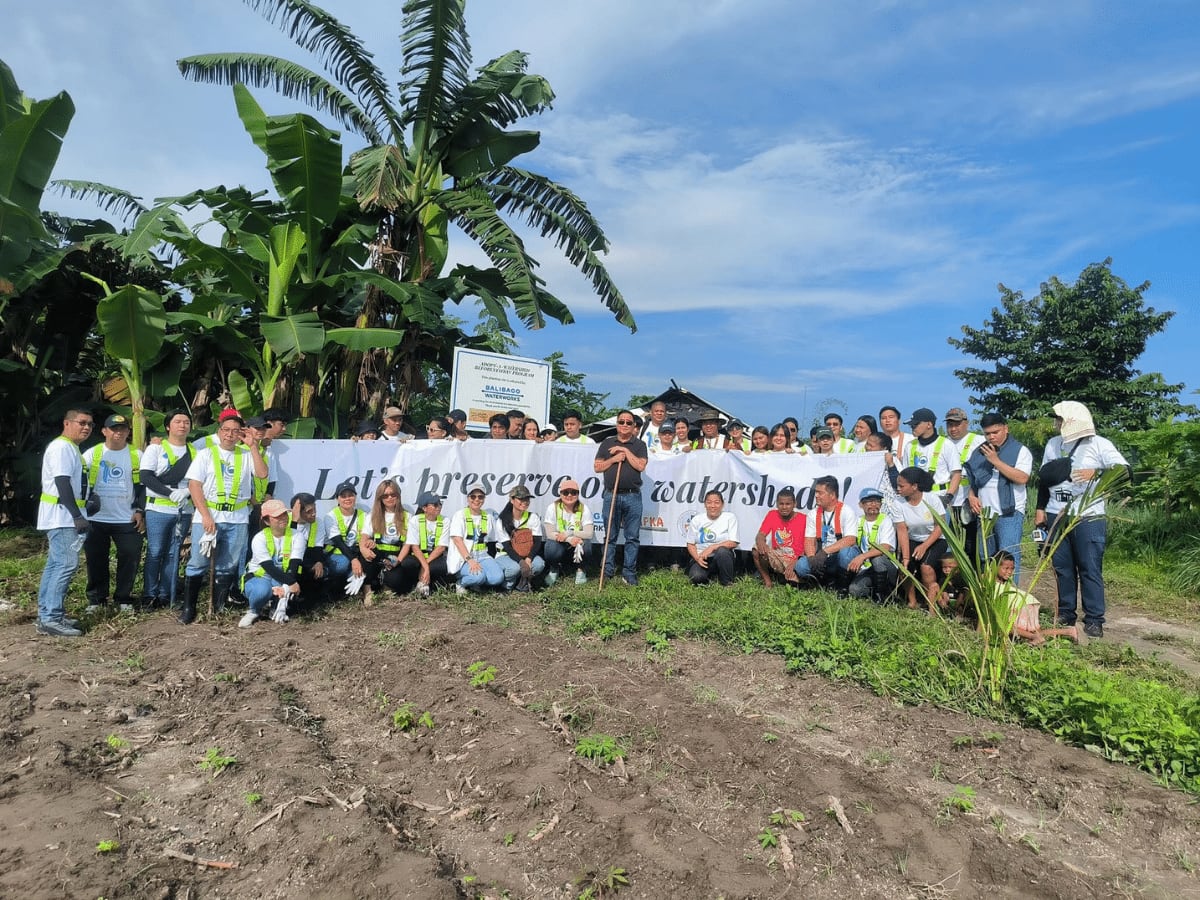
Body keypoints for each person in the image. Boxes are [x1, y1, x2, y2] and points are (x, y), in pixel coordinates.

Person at [1035, 400, 1129, 638]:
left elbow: (1126, 471)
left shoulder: (1099, 445)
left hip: (1088, 516)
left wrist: (1097, 473)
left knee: (1089, 568)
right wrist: (1040, 509)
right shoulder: (1053, 444)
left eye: (1059, 419)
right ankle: (1066, 612)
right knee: (1062, 567)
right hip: (1057, 513)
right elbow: (1044, 479)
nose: (1055, 423)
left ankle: (1095, 618)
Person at [182, 413, 269, 624]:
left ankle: (218, 606)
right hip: (209, 515)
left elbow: (262, 474)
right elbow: (194, 486)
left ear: (242, 433)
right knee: (198, 561)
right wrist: (205, 515)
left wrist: (253, 447)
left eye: (235, 431)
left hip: (237, 517)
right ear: (219, 432)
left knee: (228, 564)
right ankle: (188, 609)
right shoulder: (206, 454)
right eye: (226, 430)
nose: (230, 435)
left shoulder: (247, 454)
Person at [34, 409, 94, 636]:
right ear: (67, 423)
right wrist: (76, 515)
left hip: (61, 514)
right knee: (66, 564)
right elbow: (62, 483)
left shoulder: (70, 448)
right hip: (62, 516)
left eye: (90, 424)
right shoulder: (62, 448)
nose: (86, 427)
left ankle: (47, 614)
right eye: (81, 423)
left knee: (56, 564)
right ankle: (51, 617)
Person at [81, 414, 145, 615]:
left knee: (130, 557)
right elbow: (80, 483)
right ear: (104, 431)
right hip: (96, 518)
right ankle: (96, 599)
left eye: (123, 429)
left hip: (126, 518)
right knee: (96, 559)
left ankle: (123, 598)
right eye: (114, 429)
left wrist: (140, 510)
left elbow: (144, 486)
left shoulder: (137, 455)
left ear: (128, 432)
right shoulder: (92, 454)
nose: (119, 433)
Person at [965, 413, 1033, 581]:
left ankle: (1010, 601)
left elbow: (1022, 478)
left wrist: (995, 461)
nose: (991, 436)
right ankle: (989, 600)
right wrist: (971, 496)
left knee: (1008, 559)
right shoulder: (979, 451)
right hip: (985, 514)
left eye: (995, 432)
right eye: (987, 433)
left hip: (1009, 513)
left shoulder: (1020, 450)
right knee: (985, 558)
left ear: (1006, 428)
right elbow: (973, 480)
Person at [140, 410, 195, 609]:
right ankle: (149, 594)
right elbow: (146, 477)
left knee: (174, 553)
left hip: (184, 509)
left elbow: (201, 479)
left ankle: (166, 594)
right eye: (178, 421)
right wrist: (169, 492)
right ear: (168, 427)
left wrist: (187, 492)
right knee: (155, 552)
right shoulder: (155, 449)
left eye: (186, 422)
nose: (182, 425)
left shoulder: (195, 452)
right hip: (158, 510)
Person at [594, 410, 649, 586]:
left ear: (634, 426)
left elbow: (640, 466)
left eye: (628, 422)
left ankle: (629, 572)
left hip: (633, 496)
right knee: (610, 536)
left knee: (632, 537)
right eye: (621, 422)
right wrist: (614, 458)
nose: (624, 425)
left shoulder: (639, 445)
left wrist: (625, 450)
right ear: (617, 424)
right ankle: (607, 570)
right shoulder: (607, 443)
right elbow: (597, 467)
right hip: (611, 494)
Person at [239, 498, 304, 628]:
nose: (283, 518)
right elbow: (268, 567)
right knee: (262, 591)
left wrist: (286, 588)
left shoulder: (297, 536)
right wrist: (291, 584)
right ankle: (254, 610)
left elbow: (294, 565)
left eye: (284, 514)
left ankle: (275, 605)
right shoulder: (259, 538)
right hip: (259, 578)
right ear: (267, 521)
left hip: (282, 578)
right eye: (277, 516)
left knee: (292, 592)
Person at [892, 466, 948, 611]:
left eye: (901, 486)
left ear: (914, 486)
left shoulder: (932, 499)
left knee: (926, 567)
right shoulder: (898, 503)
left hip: (935, 539)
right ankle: (912, 602)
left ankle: (932, 603)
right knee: (905, 567)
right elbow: (902, 531)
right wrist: (905, 557)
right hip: (913, 539)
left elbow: (940, 526)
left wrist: (924, 546)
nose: (898, 488)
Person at [995, 551, 1078, 644]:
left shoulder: (995, 585)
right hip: (1029, 602)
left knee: (1006, 626)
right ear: (995, 567)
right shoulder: (1004, 584)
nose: (1009, 572)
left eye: (1012, 569)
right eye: (1006, 568)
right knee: (1032, 632)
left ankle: (1035, 638)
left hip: (1022, 605)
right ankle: (1069, 632)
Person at [794, 476, 859, 590]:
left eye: (820, 493)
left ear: (832, 495)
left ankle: (842, 586)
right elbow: (809, 540)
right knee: (801, 566)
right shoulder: (813, 514)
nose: (816, 496)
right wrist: (811, 558)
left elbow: (850, 540)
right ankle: (821, 581)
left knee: (846, 554)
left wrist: (825, 552)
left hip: (837, 556)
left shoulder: (847, 511)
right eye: (816, 492)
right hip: (821, 558)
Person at [359, 479, 415, 599]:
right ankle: (367, 591)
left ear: (398, 496)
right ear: (380, 498)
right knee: (365, 556)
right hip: (378, 554)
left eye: (393, 494)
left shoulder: (408, 516)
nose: (389, 498)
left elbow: (407, 544)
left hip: (395, 555)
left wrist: (397, 561)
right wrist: (364, 547)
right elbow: (364, 537)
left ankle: (387, 585)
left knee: (397, 579)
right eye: (385, 495)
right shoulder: (372, 515)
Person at [943, 408, 986, 562]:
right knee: (950, 545)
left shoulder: (979, 441)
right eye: (950, 425)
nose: (953, 429)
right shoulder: (943, 443)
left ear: (966, 423)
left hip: (970, 500)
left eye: (957, 424)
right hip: (948, 502)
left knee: (971, 543)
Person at [447, 487, 504, 594]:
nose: (477, 499)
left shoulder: (488, 516)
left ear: (484, 499)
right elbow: (457, 541)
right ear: (468, 498)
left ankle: (475, 583)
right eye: (473, 496)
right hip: (464, 557)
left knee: (497, 578)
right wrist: (470, 560)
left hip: (483, 555)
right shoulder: (460, 515)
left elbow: (492, 540)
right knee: (478, 577)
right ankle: (461, 583)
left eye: (480, 497)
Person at [846, 487, 898, 602]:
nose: (874, 505)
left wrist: (862, 557)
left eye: (877, 501)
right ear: (861, 505)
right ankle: (874, 591)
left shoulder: (886, 520)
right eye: (869, 501)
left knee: (877, 559)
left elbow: (885, 547)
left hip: (887, 567)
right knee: (855, 590)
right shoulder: (858, 521)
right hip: (868, 568)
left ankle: (884, 596)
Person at [903, 408, 963, 503]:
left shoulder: (946, 444)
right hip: (915, 500)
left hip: (939, 497)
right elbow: (905, 476)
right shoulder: (909, 446)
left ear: (929, 424)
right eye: (911, 425)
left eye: (916, 424)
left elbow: (956, 474)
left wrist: (948, 497)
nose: (912, 427)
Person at [493, 485, 545, 591]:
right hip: (505, 554)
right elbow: (507, 547)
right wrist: (521, 563)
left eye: (527, 498)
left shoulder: (533, 517)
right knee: (514, 568)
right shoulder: (502, 520)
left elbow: (537, 541)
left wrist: (529, 559)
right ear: (512, 500)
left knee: (539, 564)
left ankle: (523, 583)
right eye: (521, 498)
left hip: (526, 554)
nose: (525, 501)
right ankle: (506, 585)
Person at [542, 479, 594, 585]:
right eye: (566, 492)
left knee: (586, 544)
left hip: (576, 543)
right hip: (559, 542)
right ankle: (554, 568)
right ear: (560, 494)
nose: (569, 495)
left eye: (573, 492)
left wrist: (570, 533)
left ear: (578, 494)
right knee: (551, 548)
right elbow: (549, 533)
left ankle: (581, 570)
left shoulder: (584, 509)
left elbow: (589, 533)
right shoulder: (552, 508)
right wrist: (568, 539)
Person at [751, 488, 805, 587]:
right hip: (779, 555)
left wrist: (796, 561)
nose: (784, 507)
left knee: (795, 584)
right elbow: (760, 535)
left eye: (788, 504)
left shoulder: (804, 519)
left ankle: (783, 576)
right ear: (777, 504)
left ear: (794, 504)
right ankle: (768, 582)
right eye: (781, 504)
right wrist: (761, 542)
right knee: (757, 549)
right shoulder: (772, 515)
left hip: (796, 559)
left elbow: (809, 544)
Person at [401, 491, 451, 596]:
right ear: (424, 508)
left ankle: (425, 582)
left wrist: (425, 566)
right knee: (407, 563)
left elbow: (441, 548)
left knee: (442, 566)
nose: (439, 507)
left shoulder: (445, 520)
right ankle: (416, 583)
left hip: (435, 557)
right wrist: (425, 566)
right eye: (435, 504)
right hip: (418, 556)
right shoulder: (415, 520)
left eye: (440, 503)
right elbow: (414, 547)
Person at [686, 490, 740, 585]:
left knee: (722, 551)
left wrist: (712, 547)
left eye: (716, 502)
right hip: (702, 557)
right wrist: (697, 558)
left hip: (722, 557)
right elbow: (690, 543)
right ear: (705, 504)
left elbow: (734, 542)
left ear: (722, 504)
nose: (713, 506)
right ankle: (710, 578)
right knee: (697, 578)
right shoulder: (697, 520)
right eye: (709, 502)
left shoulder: (730, 517)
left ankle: (726, 583)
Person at [323, 481, 366, 595]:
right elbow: (338, 542)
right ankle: (329, 578)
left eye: (350, 495)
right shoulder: (330, 516)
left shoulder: (363, 515)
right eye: (343, 496)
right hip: (337, 554)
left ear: (355, 497)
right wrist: (354, 560)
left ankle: (357, 579)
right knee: (343, 563)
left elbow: (365, 538)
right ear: (337, 498)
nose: (347, 499)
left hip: (354, 553)